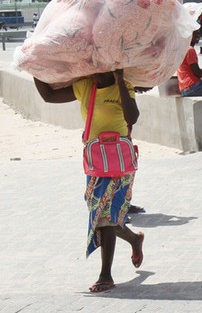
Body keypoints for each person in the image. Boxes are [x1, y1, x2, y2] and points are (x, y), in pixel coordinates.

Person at [33, 69, 144, 293]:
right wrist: (34, 65)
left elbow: (132, 117)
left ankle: (106, 275)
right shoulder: (85, 86)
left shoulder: (124, 85)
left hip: (120, 162)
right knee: (102, 215)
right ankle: (133, 239)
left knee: (105, 215)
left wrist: (120, 80)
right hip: (96, 162)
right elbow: (48, 95)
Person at [177, 30, 202, 97]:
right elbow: (198, 73)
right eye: (195, 34)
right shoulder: (190, 50)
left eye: (198, 34)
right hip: (192, 87)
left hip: (185, 87)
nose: (198, 36)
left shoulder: (183, 48)